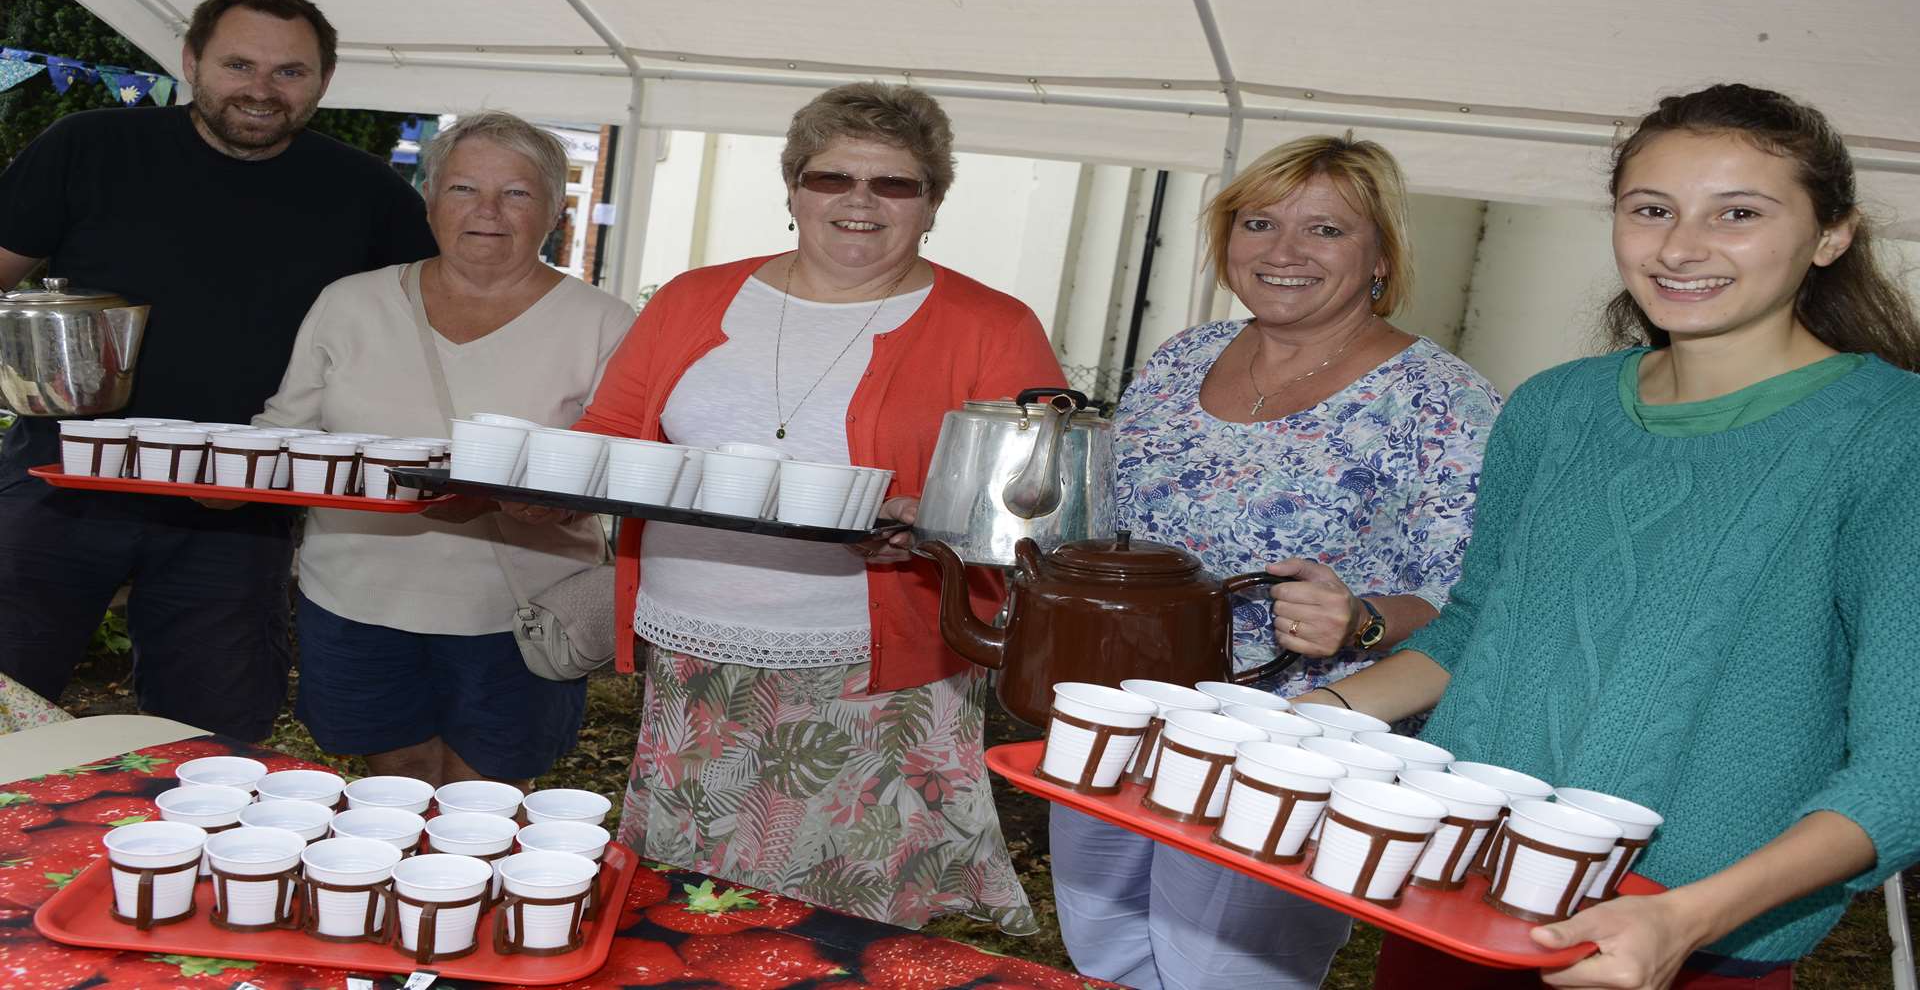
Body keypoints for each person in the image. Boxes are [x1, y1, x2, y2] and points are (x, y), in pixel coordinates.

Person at [1300, 84, 1920, 990]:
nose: (1681, 247)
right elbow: (1478, 629)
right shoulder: (1556, 408)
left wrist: (1686, 916)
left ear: (1832, 235)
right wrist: (1314, 720)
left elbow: (1903, 767)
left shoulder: (1888, 437)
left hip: (1687, 941)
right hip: (1457, 898)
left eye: (1738, 213)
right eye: (1651, 210)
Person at [572, 82, 1059, 933]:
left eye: (895, 184)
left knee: (849, 918)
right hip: (696, 656)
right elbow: (610, 432)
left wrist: (933, 517)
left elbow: (1038, 498)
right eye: (833, 178)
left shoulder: (992, 324)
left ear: (933, 203)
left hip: (877, 670)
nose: (860, 202)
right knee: (693, 904)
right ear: (794, 189)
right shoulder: (694, 298)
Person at [1047, 135, 1501, 988]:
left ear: (1380, 257)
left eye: (1326, 230)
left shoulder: (1442, 401)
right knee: (1103, 946)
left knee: (1226, 971)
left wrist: (1363, 618)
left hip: (1294, 737)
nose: (1283, 252)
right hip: (1122, 710)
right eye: (1259, 223)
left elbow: (1474, 599)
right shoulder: (1182, 358)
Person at [0, 0, 436, 740]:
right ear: (191, 62)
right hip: (63, 476)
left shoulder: (366, 192)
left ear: (324, 82)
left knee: (213, 737)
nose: (261, 90)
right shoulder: (90, 146)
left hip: (237, 501)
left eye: (290, 72)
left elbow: (417, 331)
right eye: (239, 65)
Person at [255, 112, 633, 786]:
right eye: (463, 189)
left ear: (552, 210)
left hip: (516, 609)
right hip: (355, 597)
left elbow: (624, 463)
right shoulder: (350, 304)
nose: (488, 211)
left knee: (484, 803)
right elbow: (286, 433)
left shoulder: (603, 322)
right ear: (429, 202)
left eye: (515, 193)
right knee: (391, 786)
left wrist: (540, 505)